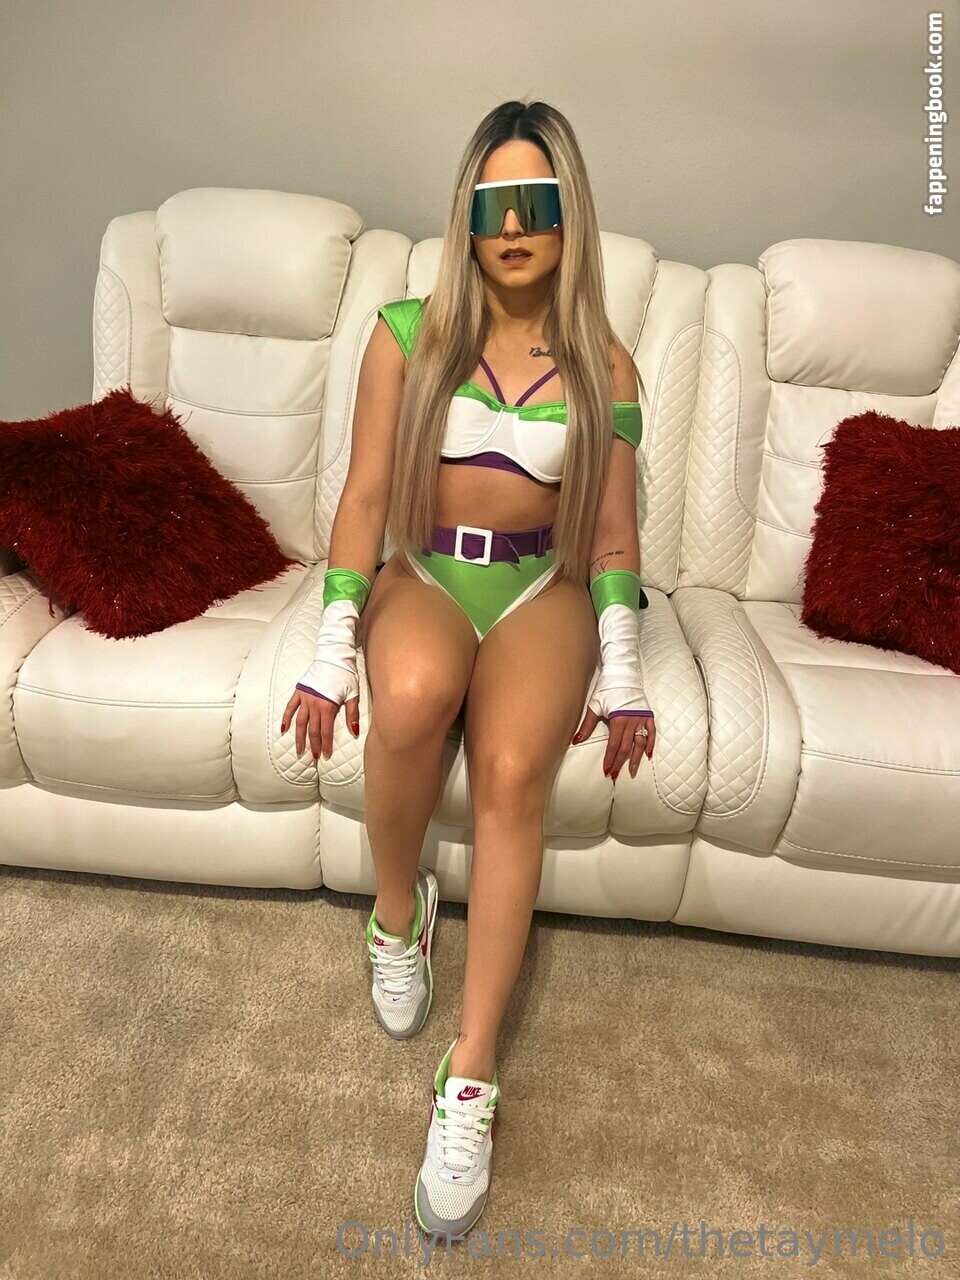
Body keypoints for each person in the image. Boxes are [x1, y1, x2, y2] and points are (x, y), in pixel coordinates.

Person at [280, 98, 657, 1241]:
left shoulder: (605, 361)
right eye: (495, 205)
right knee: (406, 699)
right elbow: (363, 497)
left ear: (568, 214)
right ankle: (399, 916)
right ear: (468, 216)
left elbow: (611, 537)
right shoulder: (407, 333)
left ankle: (475, 1069)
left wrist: (625, 667)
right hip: (432, 571)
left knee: (510, 768)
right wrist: (331, 647)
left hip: (542, 588)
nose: (515, 226)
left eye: (537, 202)